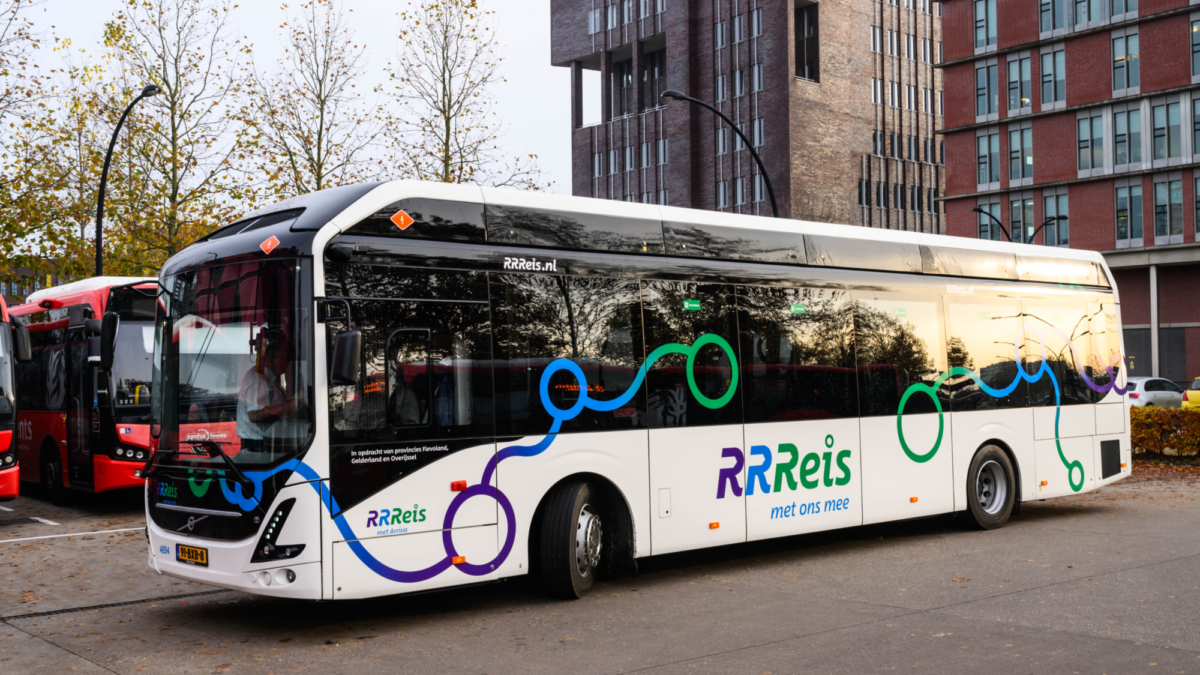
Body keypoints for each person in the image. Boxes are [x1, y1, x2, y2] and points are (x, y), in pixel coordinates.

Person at [237, 331, 295, 453]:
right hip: (257, 446)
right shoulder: (258, 381)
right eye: (285, 359)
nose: (288, 363)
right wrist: (286, 407)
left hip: (264, 441)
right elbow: (254, 415)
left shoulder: (271, 378)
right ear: (273, 360)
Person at [390, 350, 421, 426]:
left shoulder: (405, 395)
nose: (377, 383)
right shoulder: (367, 397)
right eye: (373, 379)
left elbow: (411, 424)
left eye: (381, 378)